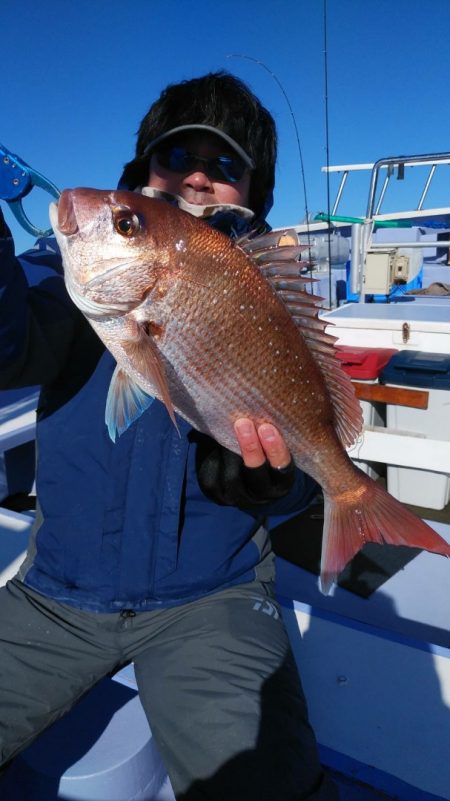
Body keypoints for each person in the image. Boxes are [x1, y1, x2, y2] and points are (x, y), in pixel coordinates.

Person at [0, 72, 339, 800]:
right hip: (57, 592)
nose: (195, 175)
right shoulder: (67, 274)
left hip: (212, 599)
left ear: (253, 188)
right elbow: (9, 343)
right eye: (175, 154)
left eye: (224, 165)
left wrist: (274, 485)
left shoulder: (269, 288)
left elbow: (303, 460)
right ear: (141, 172)